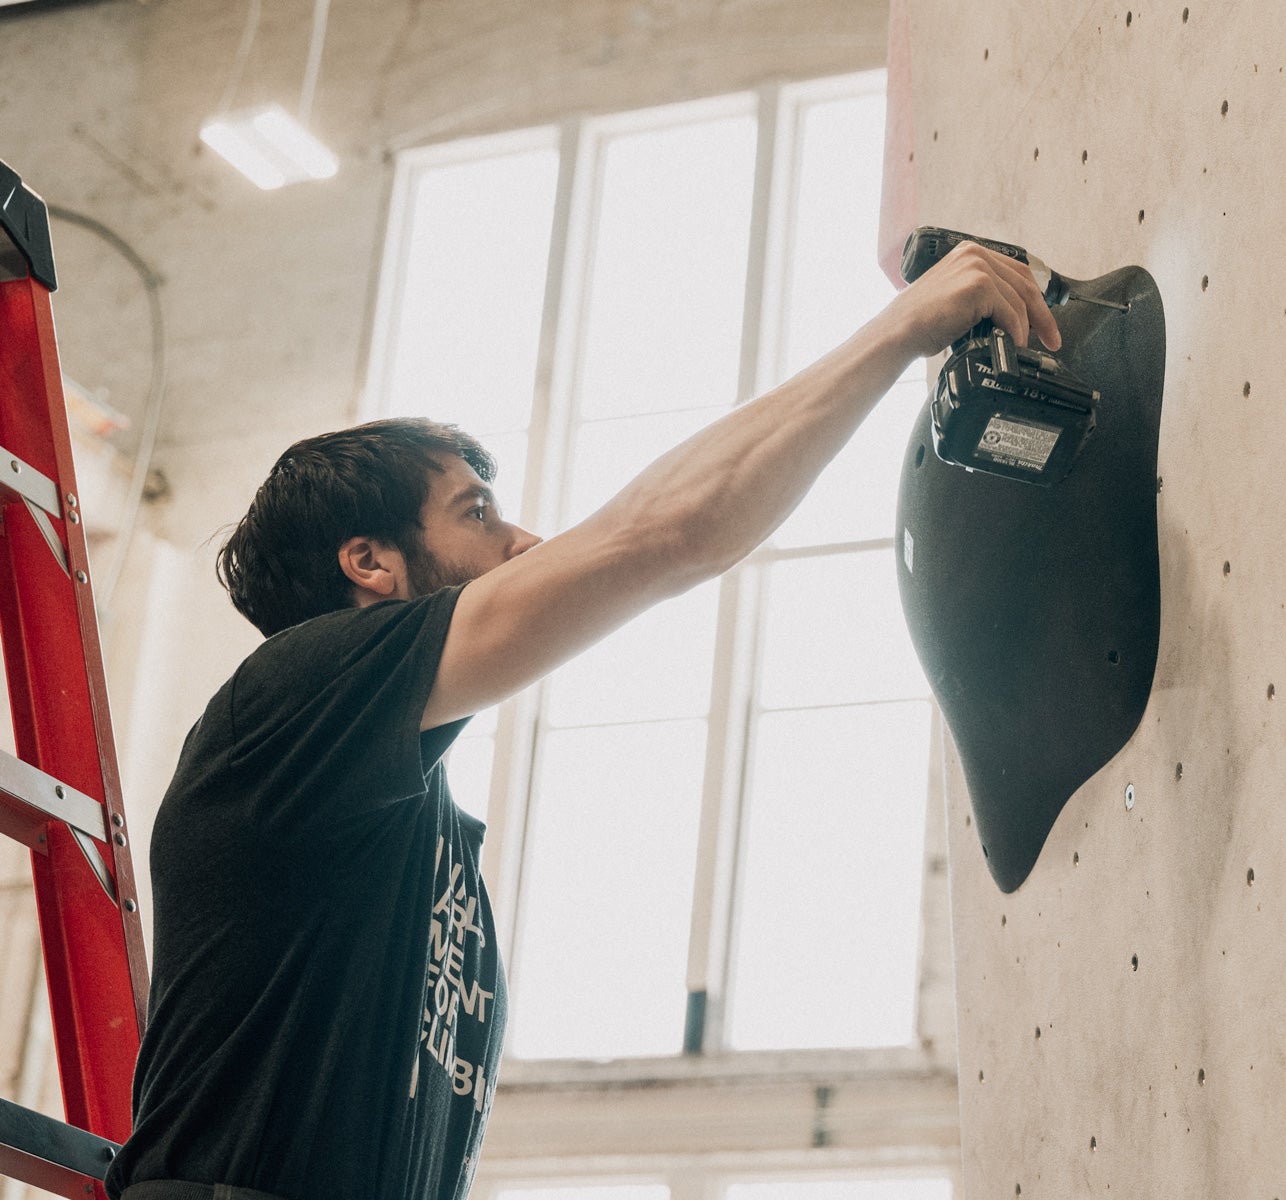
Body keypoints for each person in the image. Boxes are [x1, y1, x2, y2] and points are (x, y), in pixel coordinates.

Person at [104, 241, 1061, 1200]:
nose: (526, 543)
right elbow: (663, 536)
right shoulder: (292, 692)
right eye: (477, 513)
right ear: (371, 563)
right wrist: (900, 331)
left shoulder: (399, 813)